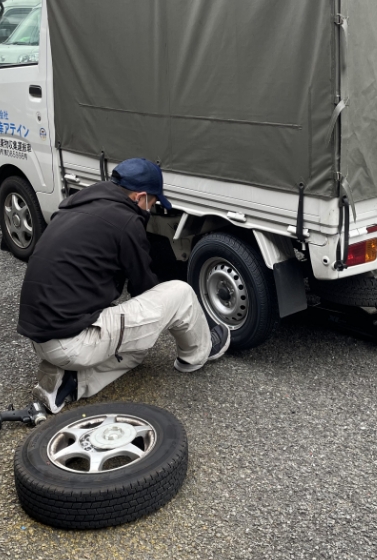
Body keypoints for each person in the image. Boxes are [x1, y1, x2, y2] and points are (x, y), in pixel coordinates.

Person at [17, 158, 230, 413]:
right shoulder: (126, 221)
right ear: (140, 197)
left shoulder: (76, 206)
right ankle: (198, 354)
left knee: (137, 351)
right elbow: (145, 290)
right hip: (72, 342)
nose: (151, 209)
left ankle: (70, 383)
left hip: (43, 338)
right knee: (180, 293)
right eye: (153, 202)